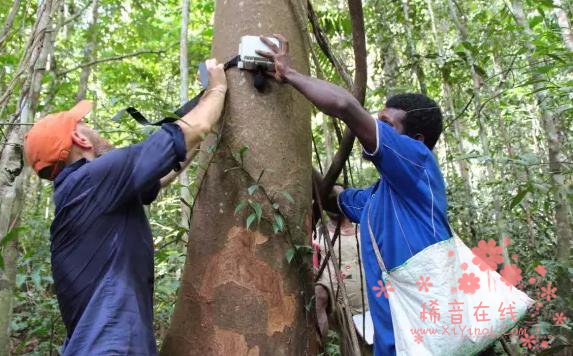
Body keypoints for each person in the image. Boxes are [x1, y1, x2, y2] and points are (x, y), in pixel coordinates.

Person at [258, 35, 450, 355]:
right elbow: (332, 197)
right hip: (394, 345)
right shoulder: (379, 198)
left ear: (417, 140)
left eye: (387, 124)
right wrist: (285, 153)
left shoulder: (419, 166)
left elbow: (347, 107)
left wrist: (289, 75)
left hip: (430, 339)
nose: (376, 127)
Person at [23, 59, 227, 355]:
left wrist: (197, 132)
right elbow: (195, 128)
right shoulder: (94, 178)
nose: (95, 131)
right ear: (80, 139)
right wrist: (218, 88)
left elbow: (165, 170)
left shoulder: (84, 193)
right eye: (86, 126)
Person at [313, 213, 373, 355]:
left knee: (371, 345)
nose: (335, 206)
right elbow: (315, 263)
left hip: (367, 298)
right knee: (350, 345)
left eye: (337, 199)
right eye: (330, 200)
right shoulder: (319, 233)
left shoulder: (365, 228)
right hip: (338, 300)